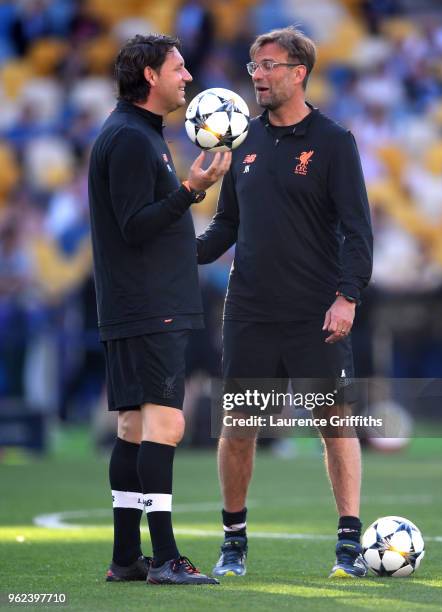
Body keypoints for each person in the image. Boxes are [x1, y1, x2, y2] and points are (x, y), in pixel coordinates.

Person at [196, 27, 373, 578]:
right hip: (248, 310)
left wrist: (347, 297)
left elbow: (357, 230)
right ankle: (233, 542)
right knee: (239, 428)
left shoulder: (334, 140)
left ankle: (348, 543)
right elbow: (227, 225)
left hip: (316, 311)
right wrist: (181, 251)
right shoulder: (240, 141)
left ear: (299, 73)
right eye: (254, 66)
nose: (258, 76)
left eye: (269, 65)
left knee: (334, 423)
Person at [88, 33, 231, 586]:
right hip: (151, 306)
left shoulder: (134, 133)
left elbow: (151, 226)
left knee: (131, 426)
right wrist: (192, 190)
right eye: (178, 67)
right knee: (165, 424)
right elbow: (135, 224)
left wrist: (198, 206)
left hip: (136, 303)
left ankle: (127, 557)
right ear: (150, 76)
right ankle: (167, 557)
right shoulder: (128, 138)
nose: (188, 77)